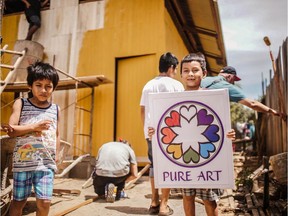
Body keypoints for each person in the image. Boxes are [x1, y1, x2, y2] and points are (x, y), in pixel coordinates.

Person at [148, 53, 235, 216]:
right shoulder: (173, 100)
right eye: (186, 70)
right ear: (180, 74)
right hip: (185, 159)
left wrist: (228, 133)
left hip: (206, 158)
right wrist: (155, 131)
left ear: (204, 73)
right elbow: (167, 126)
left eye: (195, 70)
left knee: (209, 200)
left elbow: (220, 126)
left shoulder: (213, 98)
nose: (190, 74)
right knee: (187, 198)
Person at [7, 61, 60, 216]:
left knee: (44, 202)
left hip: (46, 163)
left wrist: (56, 156)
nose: (44, 90)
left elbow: (57, 134)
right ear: (30, 86)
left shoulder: (55, 109)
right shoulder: (21, 103)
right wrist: (34, 127)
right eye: (38, 85)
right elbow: (11, 130)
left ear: (53, 88)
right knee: (19, 201)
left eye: (48, 86)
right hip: (23, 162)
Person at [140, 52, 184, 215]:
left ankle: (154, 202)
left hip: (151, 132)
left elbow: (142, 110)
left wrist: (146, 130)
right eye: (176, 68)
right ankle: (164, 205)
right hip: (172, 133)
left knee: (154, 165)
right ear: (171, 67)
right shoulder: (177, 85)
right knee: (169, 166)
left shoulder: (148, 85)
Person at [200, 66, 282, 118]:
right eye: (234, 79)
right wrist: (273, 111)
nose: (233, 82)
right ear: (229, 76)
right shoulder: (227, 87)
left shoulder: (203, 79)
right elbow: (252, 104)